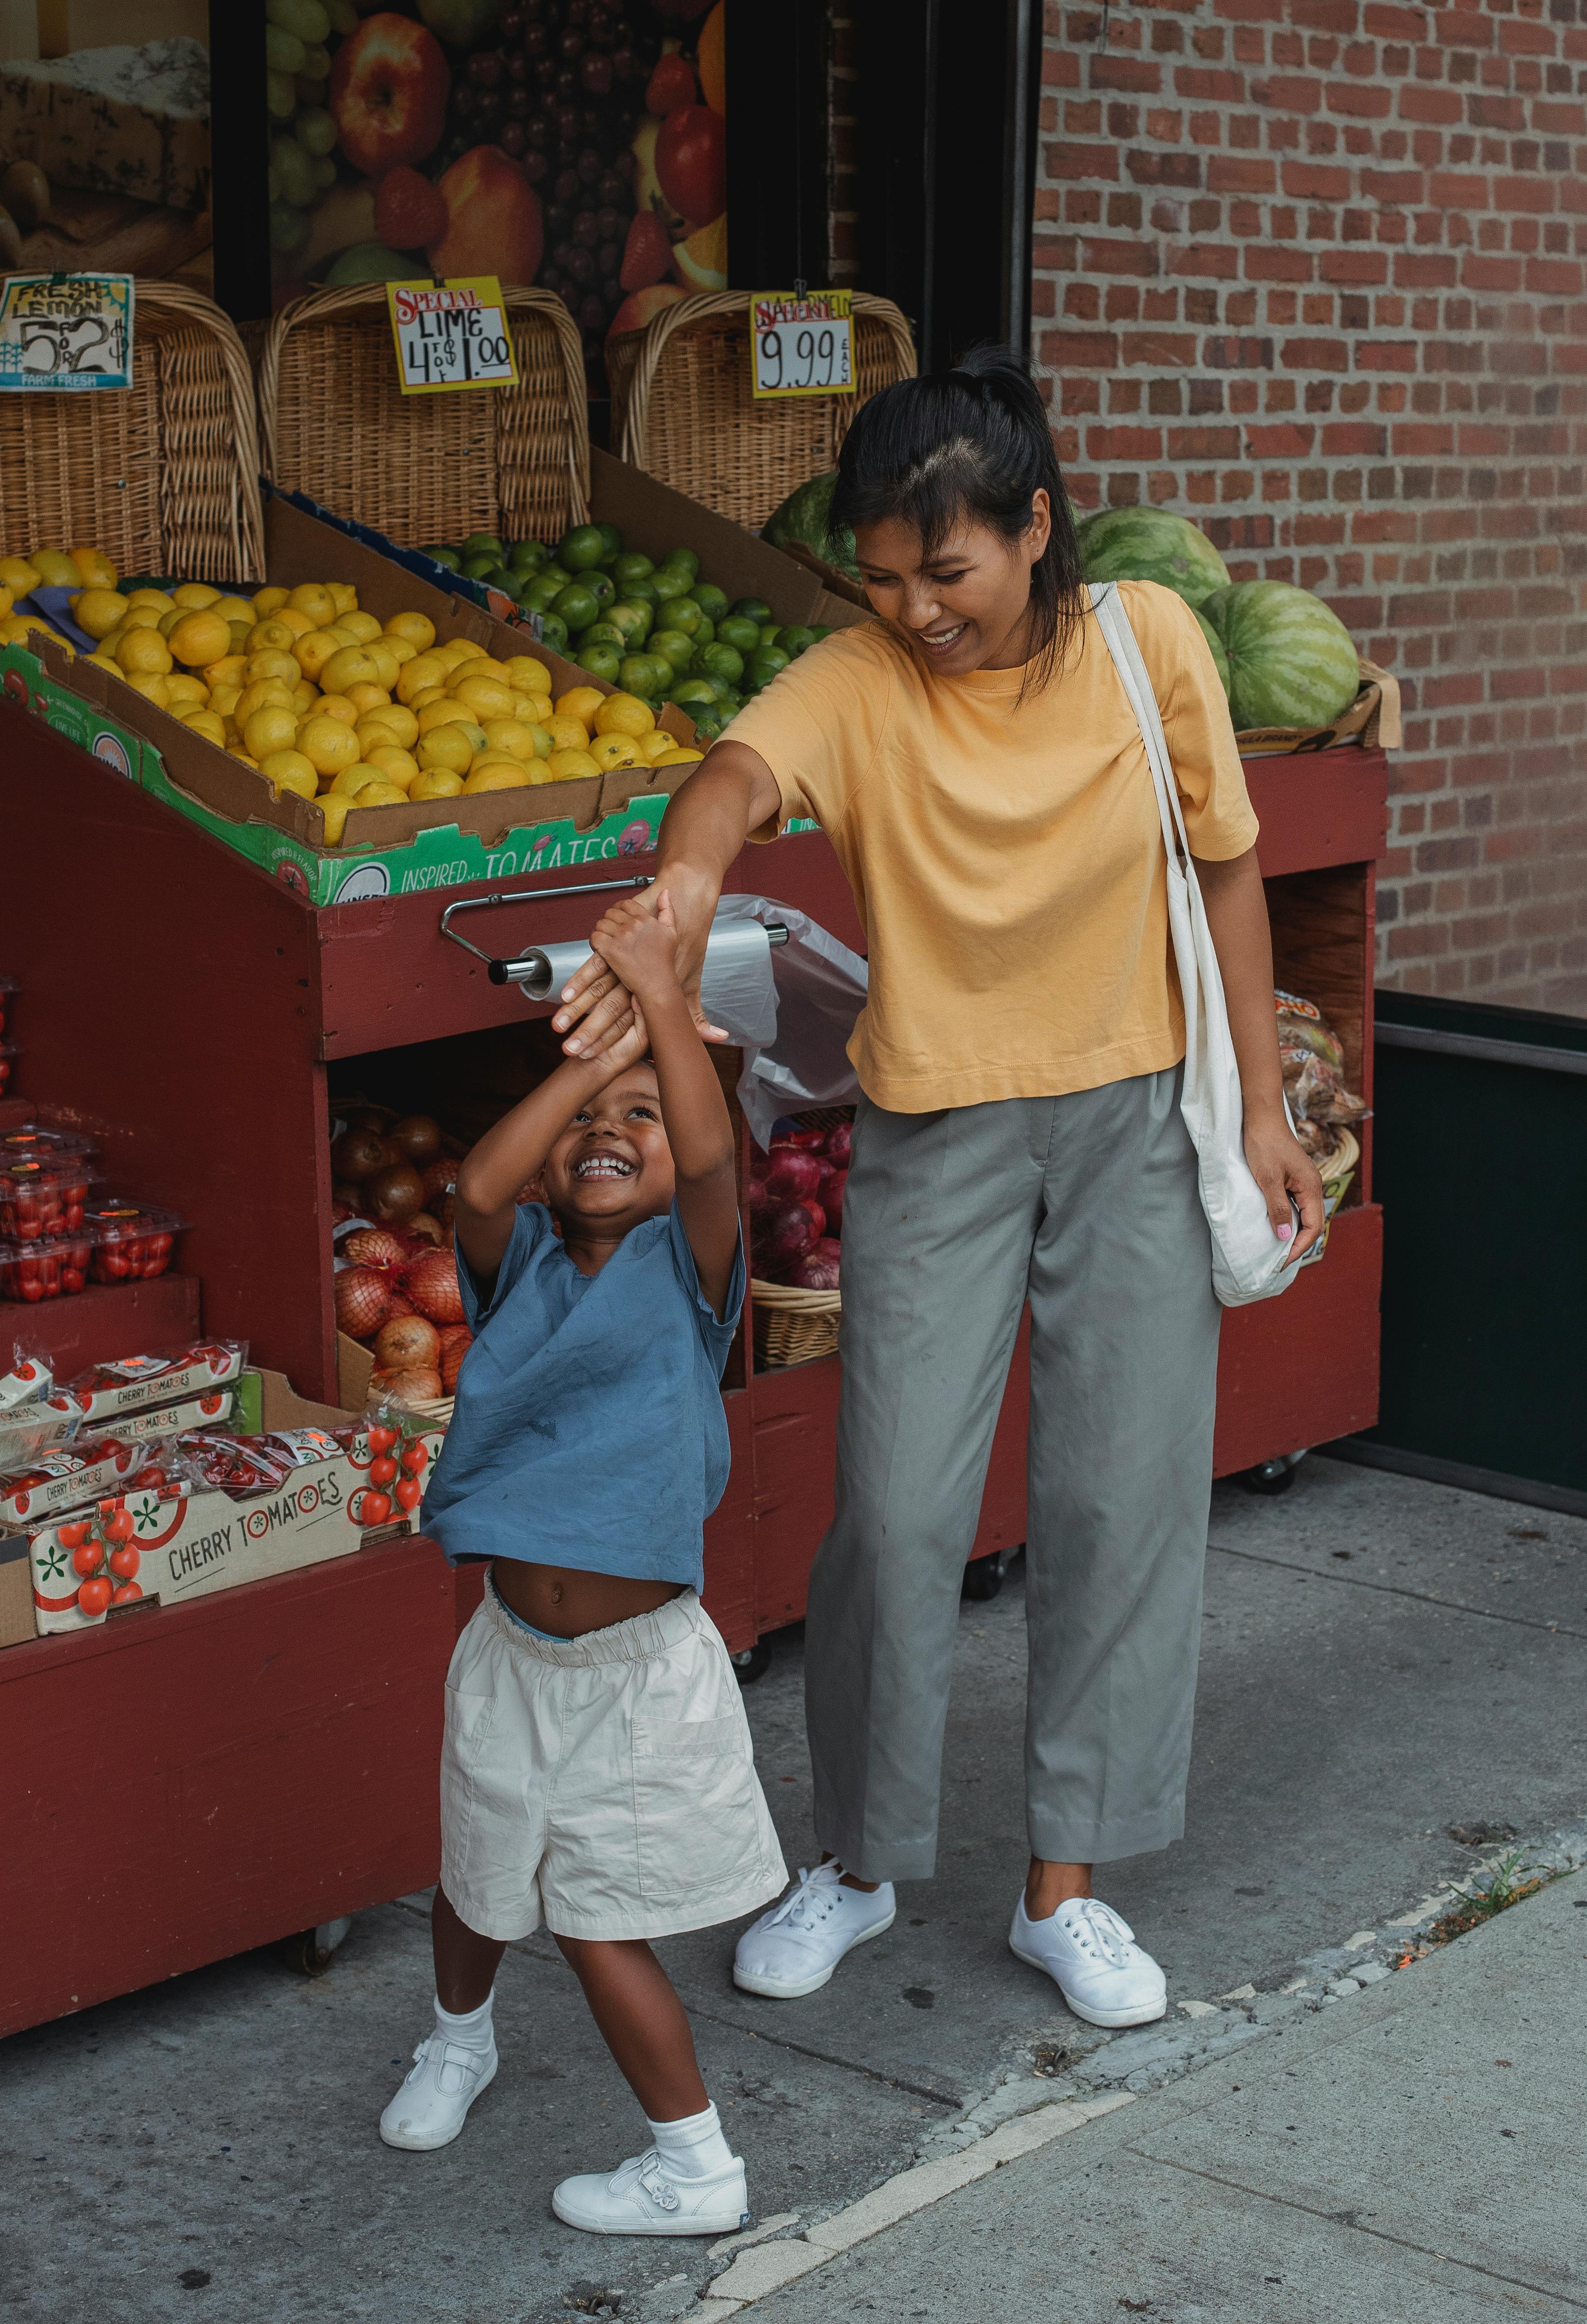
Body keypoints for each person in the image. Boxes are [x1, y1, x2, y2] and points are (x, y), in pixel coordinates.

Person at [554, 348, 1320, 2032]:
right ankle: (861, 1860)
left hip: (1131, 1120)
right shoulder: (857, 679)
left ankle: (1070, 1886)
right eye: (885, 578)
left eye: (947, 571)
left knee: (1123, 1504)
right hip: (935, 1136)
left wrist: (1259, 1104)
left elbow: (1233, 869)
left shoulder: (1154, 647)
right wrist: (687, 882)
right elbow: (738, 780)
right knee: (898, 1515)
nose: (916, 610)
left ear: (1036, 530)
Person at [385, 890, 786, 2235]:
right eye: (587, 1131)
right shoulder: (523, 1273)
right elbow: (479, 1186)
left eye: (642, 1123)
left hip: (638, 1671)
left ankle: (695, 2167)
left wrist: (658, 1004)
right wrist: (589, 1060)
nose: (610, 1138)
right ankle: (460, 2036)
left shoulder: (692, 1276)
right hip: (512, 1649)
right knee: (476, 1870)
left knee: (596, 1917)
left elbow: (720, 1160)